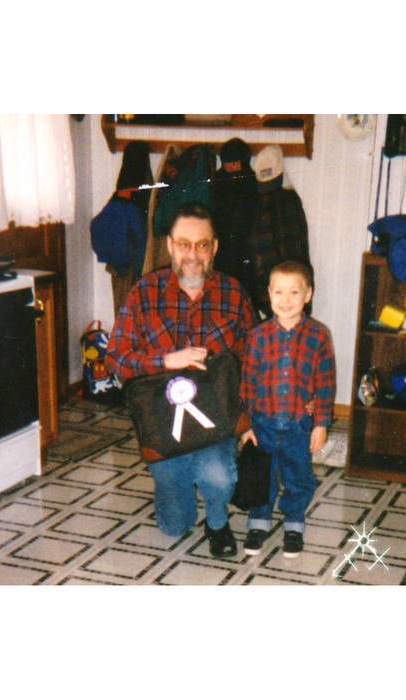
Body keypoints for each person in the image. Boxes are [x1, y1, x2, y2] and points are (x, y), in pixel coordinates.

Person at [105, 201, 258, 557]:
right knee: (174, 525)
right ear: (170, 246)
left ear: (214, 247)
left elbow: (254, 361)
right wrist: (165, 361)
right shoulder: (144, 291)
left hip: (215, 419)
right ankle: (174, 493)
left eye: (202, 245)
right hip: (162, 423)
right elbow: (115, 357)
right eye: (184, 244)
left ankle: (217, 521)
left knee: (219, 477)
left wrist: (249, 421)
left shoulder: (234, 293)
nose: (193, 254)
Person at [239, 260, 335, 558]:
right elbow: (247, 383)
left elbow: (325, 384)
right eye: (278, 292)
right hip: (263, 423)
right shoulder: (258, 336)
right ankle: (258, 523)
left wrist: (321, 425)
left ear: (308, 294)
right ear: (269, 294)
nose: (285, 300)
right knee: (261, 476)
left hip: (298, 425)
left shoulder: (318, 336)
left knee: (298, 476)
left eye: (294, 292)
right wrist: (245, 425)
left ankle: (293, 523)